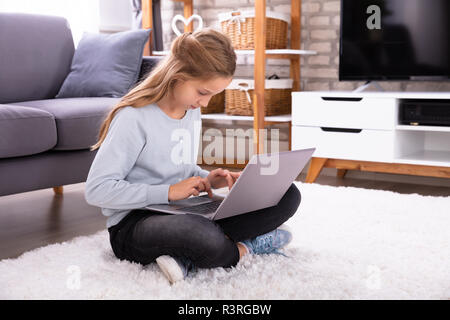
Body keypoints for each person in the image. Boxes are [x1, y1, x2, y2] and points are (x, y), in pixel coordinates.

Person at [84, 28, 301, 284]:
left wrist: (208, 179)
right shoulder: (133, 118)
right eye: (202, 92)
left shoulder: (190, 110)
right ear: (177, 75)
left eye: (213, 95)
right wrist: (167, 193)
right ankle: (248, 246)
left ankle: (192, 254)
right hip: (134, 224)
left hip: (182, 210)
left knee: (286, 194)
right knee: (200, 234)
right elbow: (97, 189)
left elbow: (178, 168)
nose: (206, 103)